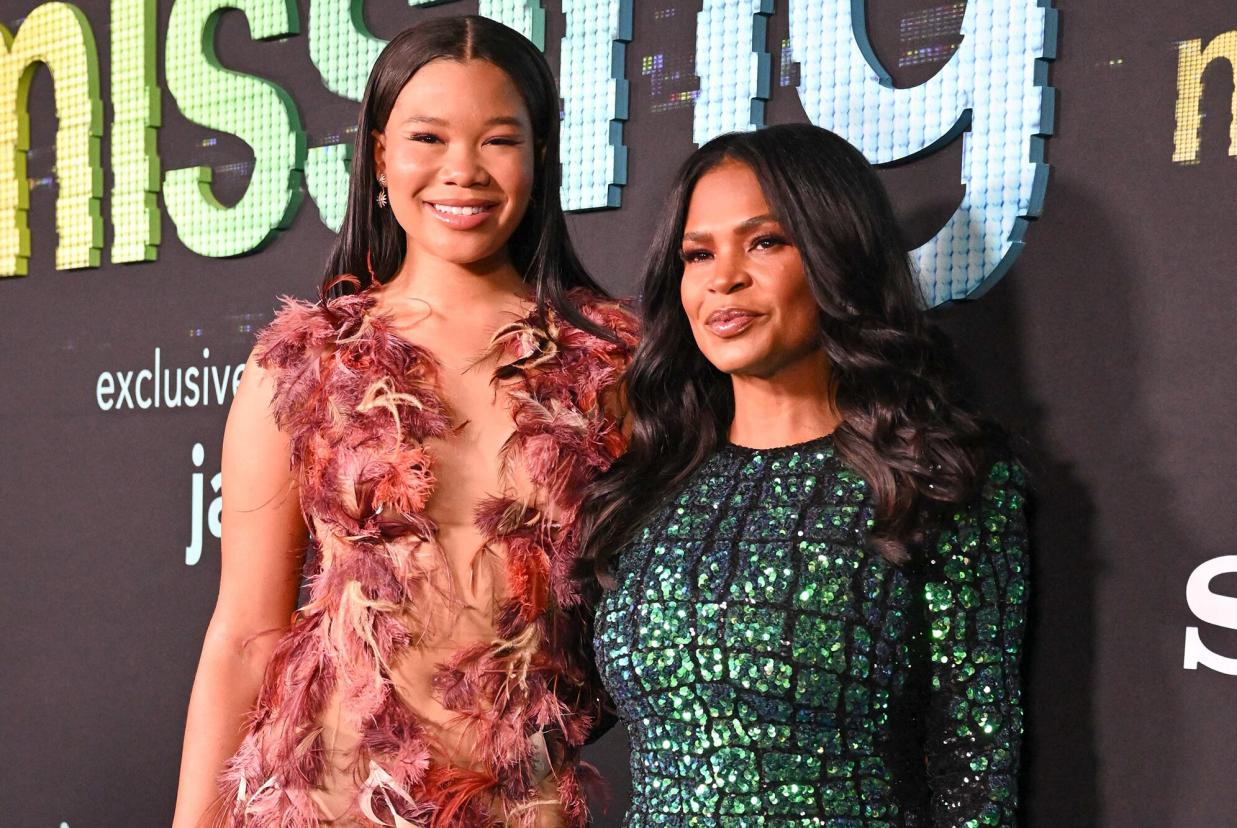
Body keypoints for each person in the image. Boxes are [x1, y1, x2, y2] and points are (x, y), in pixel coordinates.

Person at [173, 16, 636, 827]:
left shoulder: (607, 364)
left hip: (517, 805)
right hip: (327, 802)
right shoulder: (304, 360)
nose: (463, 171)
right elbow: (246, 633)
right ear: (382, 156)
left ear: (540, 158)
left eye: (498, 140)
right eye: (428, 137)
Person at [581, 123, 1028, 826]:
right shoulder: (646, 487)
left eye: (765, 242)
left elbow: (975, 769)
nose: (724, 277)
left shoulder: (929, 483)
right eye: (698, 253)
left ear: (834, 252)